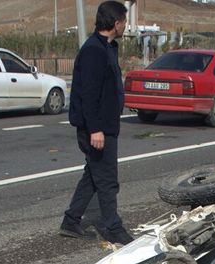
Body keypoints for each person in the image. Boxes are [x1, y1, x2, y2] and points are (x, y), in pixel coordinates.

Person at [59, 1, 133, 245]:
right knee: (108, 180)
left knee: (93, 175)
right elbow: (88, 95)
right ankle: (113, 227)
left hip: (106, 126)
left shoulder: (108, 48)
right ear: (115, 23)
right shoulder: (94, 51)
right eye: (124, 20)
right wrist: (96, 130)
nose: (126, 25)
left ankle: (71, 221)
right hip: (98, 129)